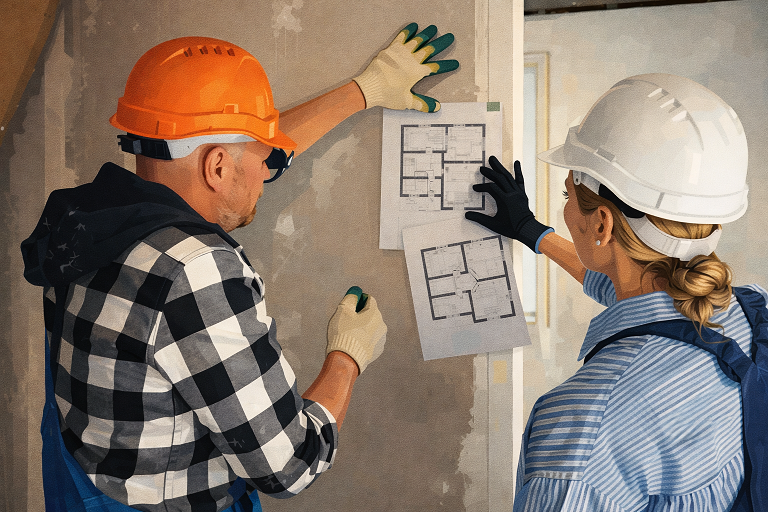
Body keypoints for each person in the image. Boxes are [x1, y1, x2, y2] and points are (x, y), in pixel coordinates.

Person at [21, 24, 458, 512]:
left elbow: (250, 158)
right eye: (261, 151)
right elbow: (289, 465)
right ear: (218, 167)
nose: (269, 166)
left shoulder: (83, 225)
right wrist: (347, 357)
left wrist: (364, 90)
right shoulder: (195, 271)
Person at [467, 73, 766, 511]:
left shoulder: (585, 425)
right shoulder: (750, 309)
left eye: (567, 193)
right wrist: (532, 232)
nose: (565, 207)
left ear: (603, 225)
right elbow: (634, 295)